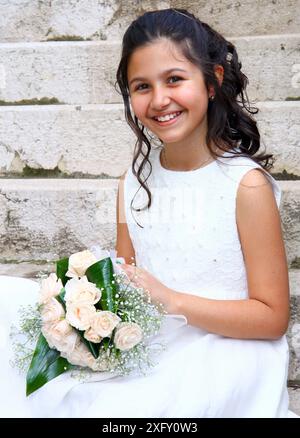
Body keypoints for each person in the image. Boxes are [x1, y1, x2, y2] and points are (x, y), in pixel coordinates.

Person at [0, 8, 298, 418]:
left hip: (224, 347)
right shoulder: (133, 181)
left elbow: (272, 316)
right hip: (151, 339)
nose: (159, 100)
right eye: (142, 86)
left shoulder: (245, 187)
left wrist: (171, 300)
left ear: (212, 82)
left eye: (174, 79)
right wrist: (85, 313)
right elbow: (129, 278)